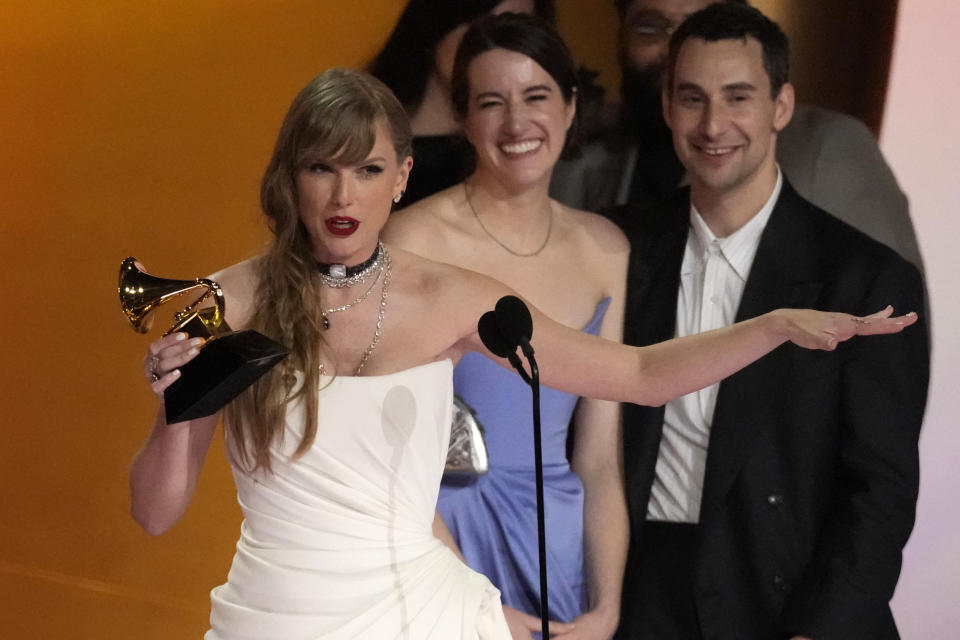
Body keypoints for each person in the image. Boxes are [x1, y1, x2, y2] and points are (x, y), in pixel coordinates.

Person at [128, 68, 914, 640]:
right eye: (320, 169)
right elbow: (155, 515)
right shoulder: (222, 301)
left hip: (420, 618)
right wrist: (175, 411)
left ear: (400, 178)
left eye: (367, 170)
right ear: (288, 177)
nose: (343, 197)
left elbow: (638, 375)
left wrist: (771, 325)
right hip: (273, 615)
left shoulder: (450, 297)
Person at [607, 5, 929, 639]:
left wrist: (819, 629)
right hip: (641, 595)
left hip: (786, 597)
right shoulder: (618, 248)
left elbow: (880, 491)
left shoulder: (862, 278)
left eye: (738, 97)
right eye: (692, 98)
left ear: (782, 106)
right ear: (668, 106)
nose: (713, 124)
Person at [384, 13, 628, 639]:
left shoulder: (606, 251)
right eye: (492, 102)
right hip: (437, 541)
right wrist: (471, 597)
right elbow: (385, 451)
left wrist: (607, 608)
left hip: (554, 545)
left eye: (537, 97)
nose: (517, 123)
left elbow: (599, 458)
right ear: (464, 120)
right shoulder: (415, 238)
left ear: (571, 107)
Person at [550, 0, 926, 275]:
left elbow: (892, 328)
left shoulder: (828, 149)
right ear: (620, 36)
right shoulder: (582, 157)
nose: (678, 51)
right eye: (651, 27)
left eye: (702, 26)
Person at [369, 0, 553, 206]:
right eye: (482, 26)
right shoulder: (360, 134)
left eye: (518, 34)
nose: (498, 50)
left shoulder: (539, 145)